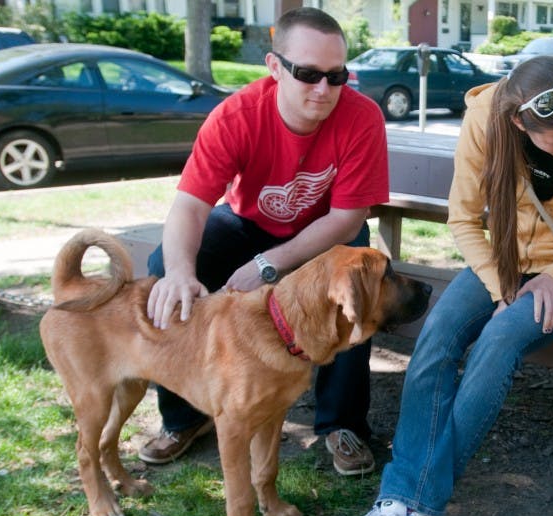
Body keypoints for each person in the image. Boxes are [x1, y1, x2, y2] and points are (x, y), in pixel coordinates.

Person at [337, 55, 553, 516]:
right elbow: (462, 218)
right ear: (521, 123)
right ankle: (407, 505)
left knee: (499, 338)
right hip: (500, 264)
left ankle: (412, 506)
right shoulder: (484, 122)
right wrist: (505, 288)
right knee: (437, 336)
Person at [140, 7, 388, 476]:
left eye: (337, 76)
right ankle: (185, 416)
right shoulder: (236, 115)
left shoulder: (362, 117)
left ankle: (341, 423)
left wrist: (270, 264)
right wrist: (179, 272)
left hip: (326, 232)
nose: (324, 89)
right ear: (275, 68)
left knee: (355, 281)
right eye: (309, 74)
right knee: (164, 268)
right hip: (245, 222)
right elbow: (190, 206)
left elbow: (348, 217)